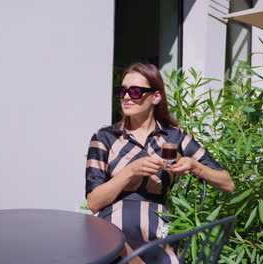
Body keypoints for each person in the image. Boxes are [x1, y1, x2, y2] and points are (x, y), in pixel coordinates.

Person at [85, 62, 234, 263]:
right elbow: (94, 202)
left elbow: (227, 183)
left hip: (157, 232)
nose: (127, 97)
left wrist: (194, 166)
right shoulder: (105, 137)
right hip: (114, 234)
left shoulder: (175, 137)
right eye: (122, 91)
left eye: (136, 91)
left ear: (156, 97)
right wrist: (130, 171)